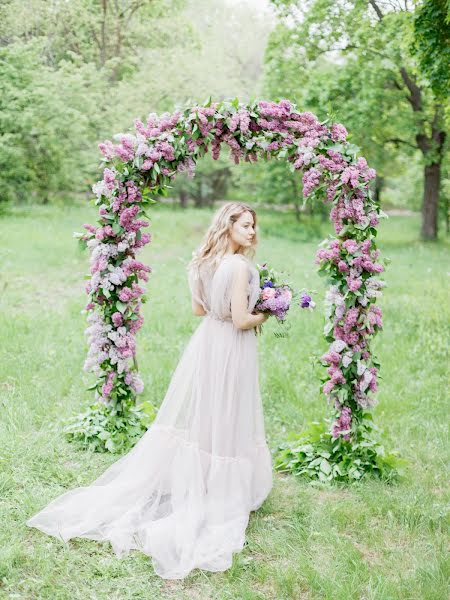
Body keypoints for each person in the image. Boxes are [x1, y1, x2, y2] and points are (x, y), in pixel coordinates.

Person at [26, 201, 273, 580]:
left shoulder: (200, 262)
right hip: (232, 346)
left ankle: (203, 481)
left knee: (208, 409)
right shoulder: (238, 265)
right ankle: (222, 490)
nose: (252, 232)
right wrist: (267, 312)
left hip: (207, 341)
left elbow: (197, 310)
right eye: (244, 226)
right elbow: (240, 320)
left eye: (253, 226)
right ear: (227, 226)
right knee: (228, 409)